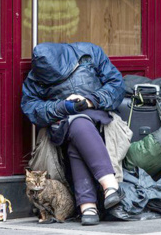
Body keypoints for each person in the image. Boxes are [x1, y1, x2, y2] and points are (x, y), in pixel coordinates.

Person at [21, 42, 126, 226]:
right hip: (61, 125)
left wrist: (89, 101)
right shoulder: (36, 76)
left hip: (100, 118)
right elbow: (31, 107)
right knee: (76, 123)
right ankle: (110, 187)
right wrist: (61, 107)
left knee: (77, 128)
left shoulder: (91, 53)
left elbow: (116, 86)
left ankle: (88, 207)